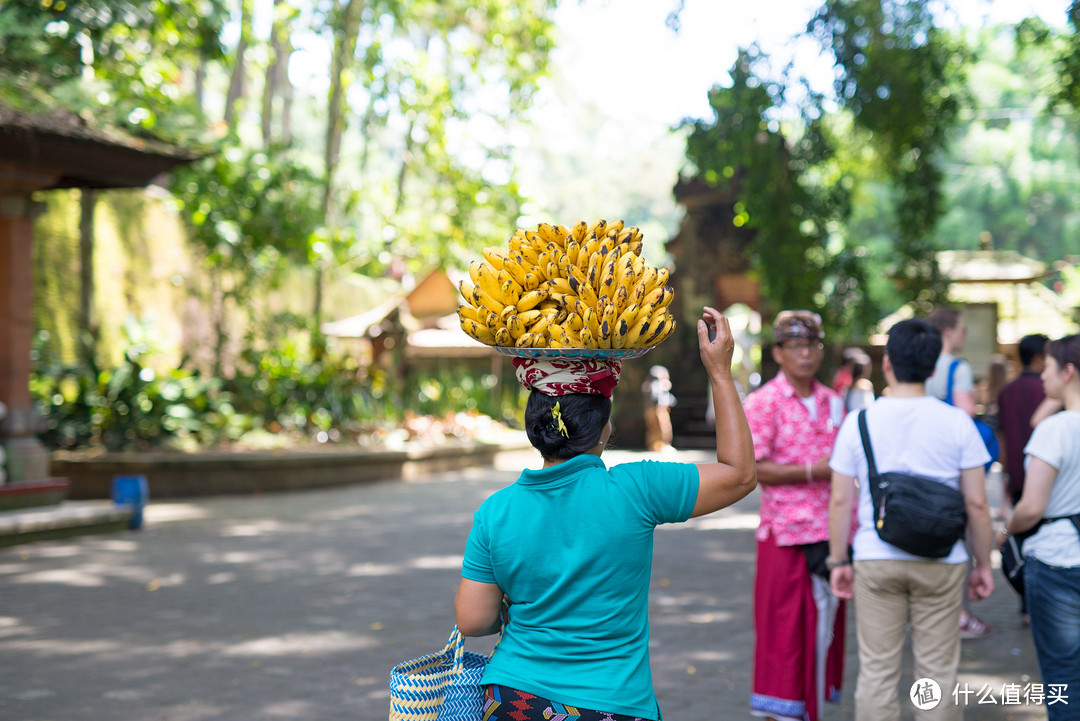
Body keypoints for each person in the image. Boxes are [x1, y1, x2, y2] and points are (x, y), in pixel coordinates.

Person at [454, 307, 756, 720]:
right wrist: (720, 371)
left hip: (513, 699)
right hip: (611, 704)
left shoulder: (495, 512)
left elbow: (473, 620)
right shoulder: (636, 490)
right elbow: (739, 475)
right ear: (602, 428)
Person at [827, 318, 995, 721]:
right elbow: (976, 504)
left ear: (887, 363)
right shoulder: (958, 422)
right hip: (942, 560)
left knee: (878, 671)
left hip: (875, 557)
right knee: (937, 674)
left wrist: (838, 561)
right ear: (935, 365)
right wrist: (984, 563)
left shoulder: (860, 422)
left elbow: (839, 499)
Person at [743, 309, 847, 721]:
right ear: (779, 352)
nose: (805, 354)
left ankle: (813, 710)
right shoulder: (763, 402)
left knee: (826, 634)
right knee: (782, 636)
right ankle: (778, 713)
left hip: (832, 533)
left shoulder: (833, 401)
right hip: (784, 534)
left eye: (812, 345)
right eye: (796, 346)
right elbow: (751, 468)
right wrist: (811, 471)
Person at [997, 334, 1080, 721]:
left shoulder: (1056, 429)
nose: (1041, 375)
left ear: (1068, 371)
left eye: (1049, 367)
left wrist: (1007, 529)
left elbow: (1031, 507)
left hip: (1058, 563)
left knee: (1064, 676)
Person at [926, 305, 992, 638]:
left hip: (922, 459)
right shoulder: (957, 367)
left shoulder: (921, 363)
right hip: (951, 461)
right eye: (963, 329)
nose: (965, 335)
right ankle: (959, 614)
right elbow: (965, 410)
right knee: (958, 533)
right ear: (949, 332)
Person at [997, 334, 1049, 508]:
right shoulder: (1049, 391)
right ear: (1038, 358)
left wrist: (1005, 473)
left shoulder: (1006, 391)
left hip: (1016, 473)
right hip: (1046, 475)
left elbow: (1002, 435)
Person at [641, 364, 676, 451]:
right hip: (658, 408)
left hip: (654, 408)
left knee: (656, 428)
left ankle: (657, 445)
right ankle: (660, 445)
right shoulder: (657, 385)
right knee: (663, 427)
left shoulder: (648, 384)